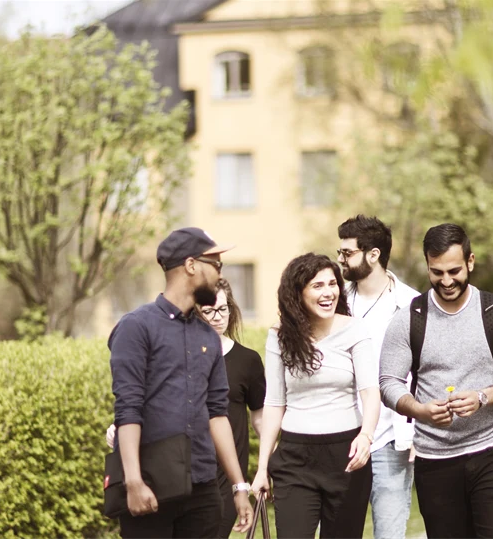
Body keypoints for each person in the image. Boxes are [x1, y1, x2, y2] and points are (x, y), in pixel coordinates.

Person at [378, 223, 493, 539]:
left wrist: (484, 396)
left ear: (470, 262)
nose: (446, 281)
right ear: (427, 266)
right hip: (435, 462)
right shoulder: (410, 318)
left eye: (454, 270)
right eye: (437, 272)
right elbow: (388, 382)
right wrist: (420, 410)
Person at [108, 227, 253, 538]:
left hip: (203, 489)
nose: (219, 274)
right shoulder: (136, 327)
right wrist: (132, 480)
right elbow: (128, 408)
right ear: (191, 266)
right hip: (149, 484)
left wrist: (239, 486)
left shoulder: (208, 337)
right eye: (215, 264)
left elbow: (217, 413)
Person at [250, 253, 380, 539]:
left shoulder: (355, 330)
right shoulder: (280, 336)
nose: (328, 292)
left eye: (332, 284)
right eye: (317, 285)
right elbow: (273, 403)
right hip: (295, 457)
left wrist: (366, 436)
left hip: (346, 456)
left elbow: (371, 393)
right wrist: (262, 470)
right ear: (298, 293)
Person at [337, 215, 419, 539]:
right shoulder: (335, 301)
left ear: (373, 254)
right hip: (343, 437)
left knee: (389, 534)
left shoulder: (412, 305)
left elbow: (425, 371)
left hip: (391, 441)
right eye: (340, 252)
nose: (340, 259)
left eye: (347, 253)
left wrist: (419, 432)